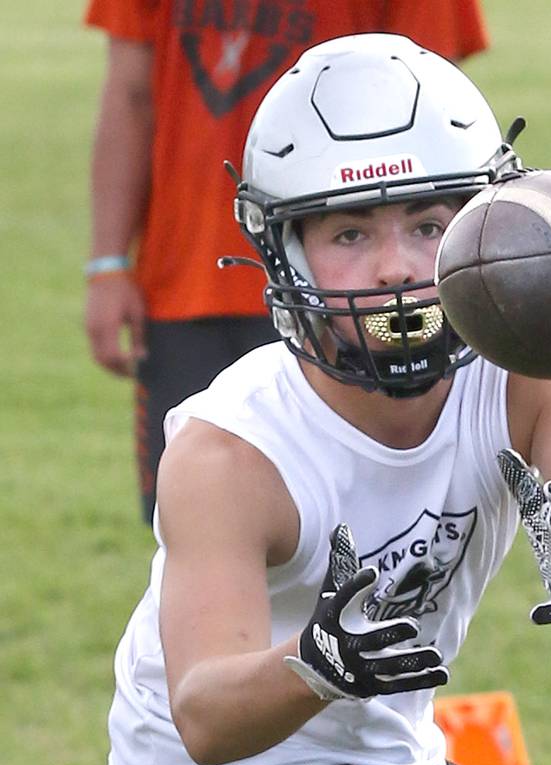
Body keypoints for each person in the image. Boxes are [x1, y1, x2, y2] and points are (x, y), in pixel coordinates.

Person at [106, 34, 551, 765]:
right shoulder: (231, 449)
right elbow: (203, 715)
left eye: (428, 221)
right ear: (286, 252)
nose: (398, 265)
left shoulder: (535, 358)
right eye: (350, 233)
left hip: (392, 758)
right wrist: (318, 660)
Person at [83, 0, 490, 524]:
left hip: (347, 284)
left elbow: (434, 113)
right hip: (184, 278)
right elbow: (130, 96)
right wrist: (108, 264)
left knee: (376, 517)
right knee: (197, 516)